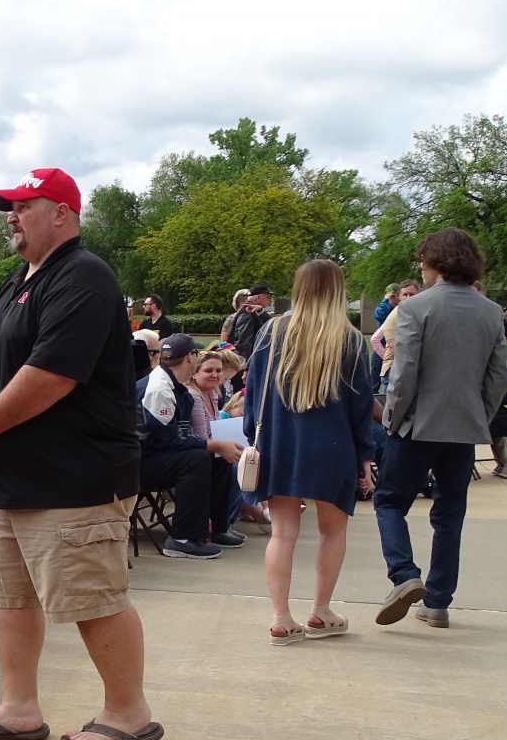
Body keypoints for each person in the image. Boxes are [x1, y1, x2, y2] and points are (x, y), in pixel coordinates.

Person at [0, 167, 156, 740]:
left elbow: (52, 375)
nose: (11, 217)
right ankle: (18, 707)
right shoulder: (18, 278)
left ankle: (128, 712)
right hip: (9, 478)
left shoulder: (82, 276)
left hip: (73, 478)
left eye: (23, 206)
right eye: (8, 208)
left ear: (61, 213)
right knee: (8, 595)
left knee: (93, 598)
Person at [374, 228, 507, 628]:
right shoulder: (491, 311)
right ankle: (437, 603)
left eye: (423, 259)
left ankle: (404, 574)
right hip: (464, 429)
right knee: (450, 515)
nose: (419, 266)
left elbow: (404, 374)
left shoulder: (416, 308)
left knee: (389, 502)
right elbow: (498, 377)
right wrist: (480, 416)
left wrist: (391, 419)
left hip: (417, 426)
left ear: (436, 261)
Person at [241, 259, 376, 645]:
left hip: (280, 444)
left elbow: (253, 395)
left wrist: (254, 436)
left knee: (282, 533)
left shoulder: (271, 332)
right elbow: (361, 407)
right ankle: (321, 610)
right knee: (332, 531)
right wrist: (365, 454)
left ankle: (281, 618)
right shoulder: (350, 339)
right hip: (334, 447)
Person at [138, 333, 243, 558]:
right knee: (197, 459)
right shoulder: (159, 388)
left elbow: (176, 436)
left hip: (150, 453)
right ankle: (182, 538)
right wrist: (212, 445)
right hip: (133, 460)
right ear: (189, 357)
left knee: (216, 457)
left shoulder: (173, 384)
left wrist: (215, 447)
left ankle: (216, 528)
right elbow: (168, 440)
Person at [227, 284, 274, 367]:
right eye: (268, 297)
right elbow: (243, 343)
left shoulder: (253, 312)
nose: (269, 301)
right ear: (259, 297)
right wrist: (246, 366)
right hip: (244, 363)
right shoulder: (248, 313)